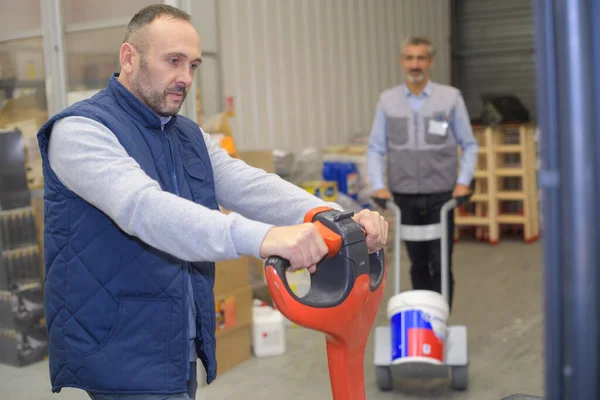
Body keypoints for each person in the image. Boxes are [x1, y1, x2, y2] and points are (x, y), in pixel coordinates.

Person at [36, 5, 388, 400]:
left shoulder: (186, 134)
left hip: (175, 342)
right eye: (173, 61)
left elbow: (250, 185)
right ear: (129, 58)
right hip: (119, 347)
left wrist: (336, 218)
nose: (185, 78)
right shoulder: (80, 131)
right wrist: (267, 238)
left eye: (194, 66)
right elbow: (145, 210)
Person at [367, 35, 478, 311]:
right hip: (404, 196)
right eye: (409, 58)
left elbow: (470, 144)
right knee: (416, 262)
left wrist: (463, 182)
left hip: (442, 196)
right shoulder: (387, 101)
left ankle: (441, 321)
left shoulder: (450, 98)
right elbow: (375, 147)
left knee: (441, 262)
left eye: (420, 58)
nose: (415, 64)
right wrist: (379, 185)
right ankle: (425, 319)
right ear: (402, 61)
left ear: (430, 62)